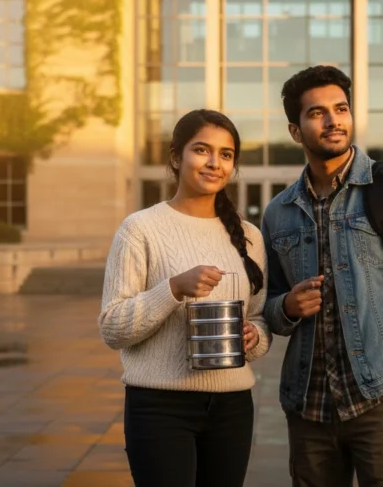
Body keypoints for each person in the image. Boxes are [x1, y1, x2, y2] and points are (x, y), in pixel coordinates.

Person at [261, 65, 383, 487]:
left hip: (380, 396)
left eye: (341, 108)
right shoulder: (279, 212)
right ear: (296, 131)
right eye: (317, 113)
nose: (333, 120)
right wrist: (287, 307)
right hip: (307, 407)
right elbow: (269, 306)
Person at [98, 109, 271, 487]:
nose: (214, 163)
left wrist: (254, 337)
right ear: (176, 158)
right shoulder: (140, 229)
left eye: (226, 155)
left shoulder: (250, 237)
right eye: (202, 150)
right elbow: (112, 327)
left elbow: (259, 319)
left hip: (232, 406)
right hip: (159, 406)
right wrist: (173, 289)